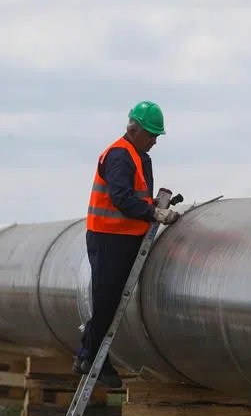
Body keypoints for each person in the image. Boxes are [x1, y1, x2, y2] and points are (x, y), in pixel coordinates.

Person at [74, 100, 181, 388]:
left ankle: (87, 353)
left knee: (110, 300)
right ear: (134, 130)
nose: (155, 141)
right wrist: (153, 212)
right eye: (151, 135)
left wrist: (151, 206)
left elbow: (136, 195)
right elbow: (121, 198)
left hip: (123, 237)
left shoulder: (138, 155)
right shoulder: (120, 155)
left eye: (157, 136)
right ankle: (91, 357)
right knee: (107, 301)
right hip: (110, 238)